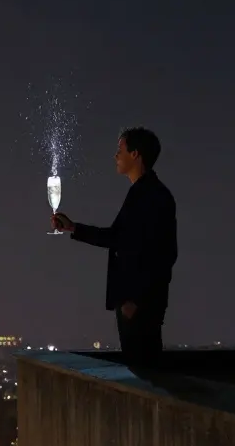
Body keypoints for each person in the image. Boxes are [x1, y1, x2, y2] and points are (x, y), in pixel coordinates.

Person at [52, 127, 177, 367]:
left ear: (135, 154)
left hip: (138, 306)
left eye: (119, 150)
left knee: (144, 369)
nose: (115, 156)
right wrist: (73, 228)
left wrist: (137, 300)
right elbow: (119, 238)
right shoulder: (144, 193)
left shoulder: (152, 196)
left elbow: (164, 254)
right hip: (134, 304)